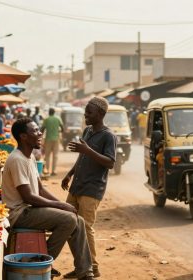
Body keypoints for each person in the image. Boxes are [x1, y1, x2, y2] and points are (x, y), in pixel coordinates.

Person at [2, 118, 94, 280]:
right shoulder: (17, 159)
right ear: (23, 136)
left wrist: (62, 205)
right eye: (35, 131)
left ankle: (85, 271)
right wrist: (61, 206)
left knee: (77, 220)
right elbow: (29, 197)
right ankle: (41, 262)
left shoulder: (29, 157)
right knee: (68, 220)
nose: (40, 134)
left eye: (39, 130)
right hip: (18, 214)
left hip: (29, 209)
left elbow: (41, 190)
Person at [61, 96, 116, 278]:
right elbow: (81, 157)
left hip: (92, 189)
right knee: (68, 225)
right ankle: (82, 266)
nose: (86, 114)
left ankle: (91, 267)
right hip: (77, 186)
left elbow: (110, 163)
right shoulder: (88, 131)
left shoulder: (109, 136)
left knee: (84, 228)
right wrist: (69, 174)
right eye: (85, 111)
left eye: (89, 112)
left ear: (101, 114)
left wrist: (87, 151)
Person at [41, 108, 63, 176]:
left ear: (49, 112)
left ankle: (47, 170)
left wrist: (40, 137)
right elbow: (62, 128)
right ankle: (54, 171)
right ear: (54, 112)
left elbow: (42, 129)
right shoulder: (58, 119)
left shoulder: (46, 119)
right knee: (55, 156)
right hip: (56, 139)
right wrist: (58, 131)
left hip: (48, 139)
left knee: (47, 155)